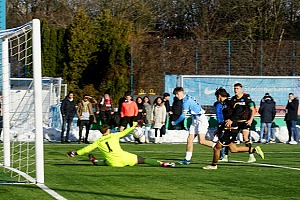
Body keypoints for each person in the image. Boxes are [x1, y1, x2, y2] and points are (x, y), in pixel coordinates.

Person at [203, 88, 264, 170]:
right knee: (233, 149)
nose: (217, 99)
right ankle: (254, 149)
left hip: (231, 130)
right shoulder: (225, 103)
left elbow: (239, 108)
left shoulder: (229, 101)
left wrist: (232, 119)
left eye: (217, 97)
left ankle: (214, 165)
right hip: (229, 129)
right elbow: (227, 118)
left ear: (219, 96)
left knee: (217, 148)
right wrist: (220, 129)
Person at [67, 122, 175, 168]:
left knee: (106, 161)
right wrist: (133, 126)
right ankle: (164, 164)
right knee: (143, 160)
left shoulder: (98, 142)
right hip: (124, 158)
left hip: (113, 163)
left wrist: (75, 153)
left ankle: (95, 162)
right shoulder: (114, 136)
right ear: (108, 130)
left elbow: (87, 148)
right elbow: (125, 132)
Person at [171, 87, 212, 165]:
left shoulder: (186, 101)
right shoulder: (187, 98)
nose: (176, 96)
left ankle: (218, 147)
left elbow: (183, 116)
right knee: (190, 139)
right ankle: (187, 159)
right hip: (195, 119)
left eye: (177, 94)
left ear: (182, 92)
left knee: (202, 141)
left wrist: (175, 122)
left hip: (201, 120)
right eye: (175, 94)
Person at [230, 83, 257, 163]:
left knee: (245, 138)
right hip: (236, 122)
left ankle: (251, 156)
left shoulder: (246, 98)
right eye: (234, 88)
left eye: (237, 88)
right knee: (231, 138)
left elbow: (253, 110)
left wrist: (251, 120)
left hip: (245, 121)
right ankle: (225, 156)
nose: (235, 90)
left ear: (241, 89)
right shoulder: (233, 99)